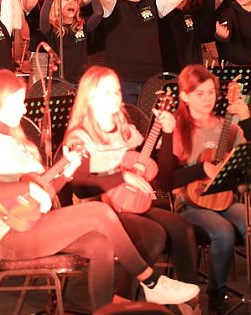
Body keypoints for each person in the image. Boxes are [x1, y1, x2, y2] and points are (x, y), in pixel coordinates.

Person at [0, 69, 199, 311]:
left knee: (101, 243)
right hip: (12, 235)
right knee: (97, 212)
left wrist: (67, 172)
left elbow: (44, 193)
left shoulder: (17, 142)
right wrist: (27, 184)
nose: (23, 109)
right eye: (18, 103)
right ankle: (151, 281)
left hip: (34, 223)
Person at [64, 66, 201, 310]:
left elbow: (161, 177)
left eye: (117, 91)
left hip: (129, 203)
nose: (115, 97)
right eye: (107, 92)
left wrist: (167, 133)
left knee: (182, 228)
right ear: (90, 97)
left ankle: (188, 303)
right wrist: (122, 178)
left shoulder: (125, 128)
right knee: (153, 234)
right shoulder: (80, 135)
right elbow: (82, 186)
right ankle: (122, 301)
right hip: (97, 209)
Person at [155, 64, 251, 313]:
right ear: (185, 96)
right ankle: (217, 292)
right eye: (200, 93)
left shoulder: (226, 126)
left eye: (211, 92)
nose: (208, 98)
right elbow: (166, 180)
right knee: (222, 232)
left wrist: (247, 118)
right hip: (190, 202)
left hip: (226, 199)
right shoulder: (176, 128)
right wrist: (201, 170)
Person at [96, 0, 186, 104]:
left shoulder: (153, 2)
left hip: (152, 79)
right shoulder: (111, 6)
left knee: (152, 124)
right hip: (122, 81)